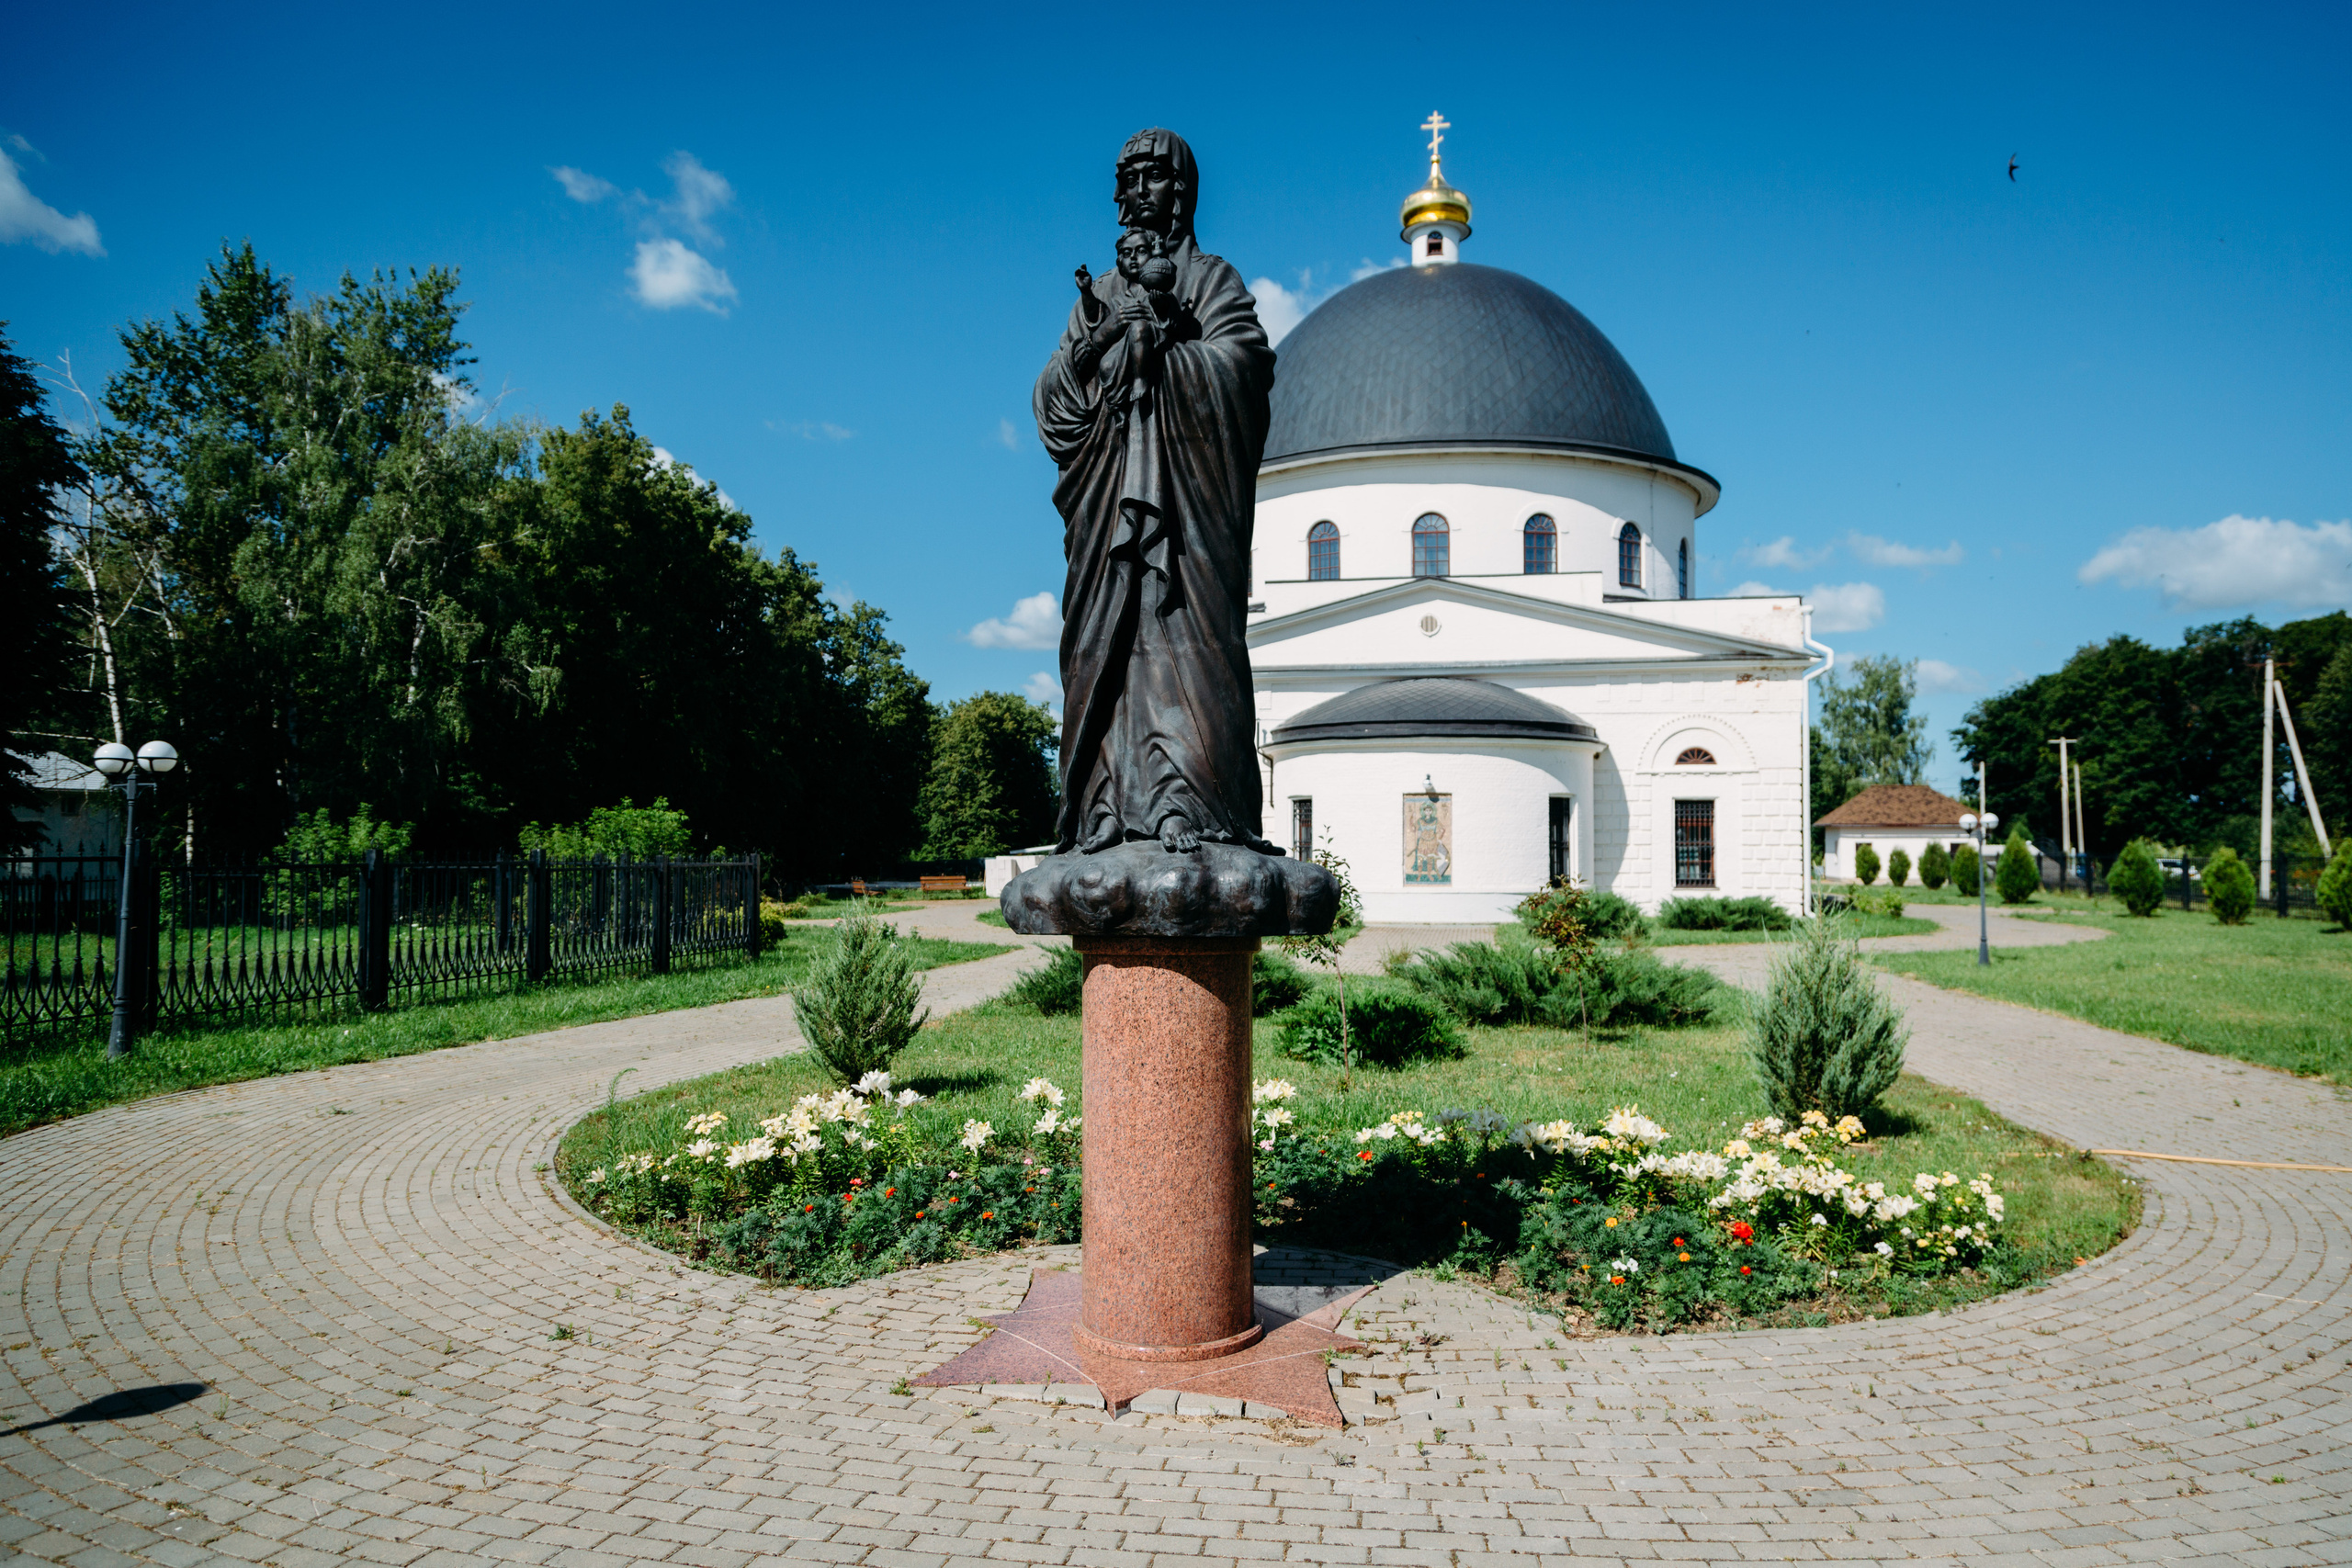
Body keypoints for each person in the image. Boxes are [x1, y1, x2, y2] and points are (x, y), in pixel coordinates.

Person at [1035, 130, 1277, 857]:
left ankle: (1188, 802)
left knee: (1187, 645)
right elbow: (1053, 402)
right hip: (1107, 500)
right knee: (1103, 646)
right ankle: (1103, 803)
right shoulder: (1102, 292)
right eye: (1128, 179)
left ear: (1183, 190)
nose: (1139, 191)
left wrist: (1158, 358)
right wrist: (1095, 350)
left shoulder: (1212, 280)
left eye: (1154, 177)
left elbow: (1244, 366)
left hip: (1186, 505)